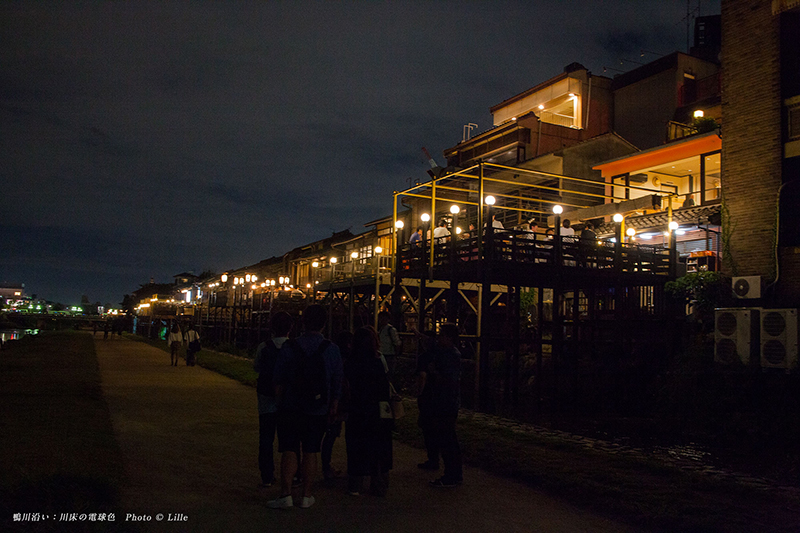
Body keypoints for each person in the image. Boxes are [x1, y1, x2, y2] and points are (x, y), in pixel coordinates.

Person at [268, 305, 343, 510]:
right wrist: (333, 406)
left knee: (289, 449)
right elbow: (337, 382)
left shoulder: (289, 347)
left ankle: (286, 495)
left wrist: (280, 402)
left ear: (302, 323)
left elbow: (278, 380)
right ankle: (307, 496)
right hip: (318, 408)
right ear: (324, 324)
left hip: (291, 407)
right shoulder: (332, 349)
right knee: (311, 450)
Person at [345, 326, 393, 496]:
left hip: (358, 407)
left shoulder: (351, 361)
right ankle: (379, 482)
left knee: (356, 444)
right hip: (379, 408)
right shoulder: (379, 359)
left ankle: (355, 483)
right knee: (380, 445)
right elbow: (386, 382)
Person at [254, 312, 293, 488]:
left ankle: (267, 476)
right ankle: (292, 475)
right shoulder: (293, 347)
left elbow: (256, 367)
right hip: (287, 399)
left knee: (266, 439)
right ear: (290, 328)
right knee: (289, 441)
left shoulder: (264, 346)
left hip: (266, 398)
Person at [427, 323, 463, 488]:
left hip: (446, 402)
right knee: (448, 438)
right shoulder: (450, 353)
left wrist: (434, 372)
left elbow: (448, 380)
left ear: (449, 337)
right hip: (448, 401)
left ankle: (452, 475)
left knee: (447, 439)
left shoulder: (450, 355)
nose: (439, 337)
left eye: (442, 334)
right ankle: (453, 473)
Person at [321, 330, 354, 481]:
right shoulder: (352, 358)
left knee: (330, 435)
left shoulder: (333, 354)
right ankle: (353, 468)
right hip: (346, 402)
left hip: (335, 400)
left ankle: (326, 467)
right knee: (350, 436)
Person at [415, 331, 440, 471]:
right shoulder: (440, 354)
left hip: (427, 396)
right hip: (439, 396)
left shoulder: (424, 357)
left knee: (427, 428)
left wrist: (419, 392)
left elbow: (422, 376)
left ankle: (432, 459)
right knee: (437, 428)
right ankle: (436, 458)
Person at [377, 311, 402, 378]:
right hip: (385, 354)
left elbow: (397, 343)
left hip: (389, 355)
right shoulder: (383, 329)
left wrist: (395, 354)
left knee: (387, 374)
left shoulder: (390, 330)